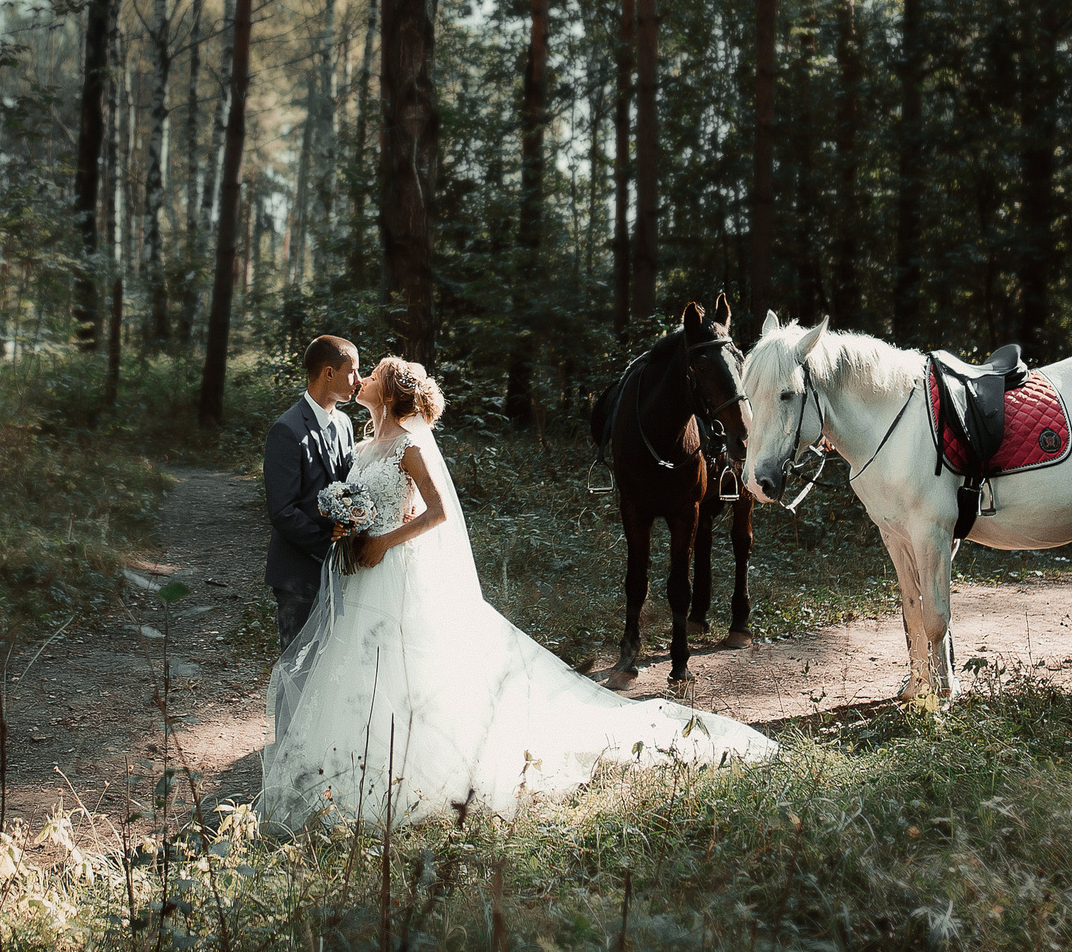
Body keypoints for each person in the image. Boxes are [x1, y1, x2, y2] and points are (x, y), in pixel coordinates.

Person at [259, 356, 775, 833]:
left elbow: (437, 513)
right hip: (361, 576)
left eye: (370, 375)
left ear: (389, 393)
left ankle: (405, 772)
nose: (362, 380)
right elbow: (364, 503)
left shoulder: (410, 447)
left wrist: (382, 544)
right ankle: (348, 762)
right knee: (362, 667)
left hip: (393, 571)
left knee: (405, 668)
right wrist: (350, 529)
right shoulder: (362, 447)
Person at [264, 335, 360, 649]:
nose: (357, 381)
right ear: (328, 373)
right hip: (299, 572)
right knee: (297, 669)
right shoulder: (287, 429)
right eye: (353, 371)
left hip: (340, 575)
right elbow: (282, 511)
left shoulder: (345, 423)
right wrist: (330, 548)